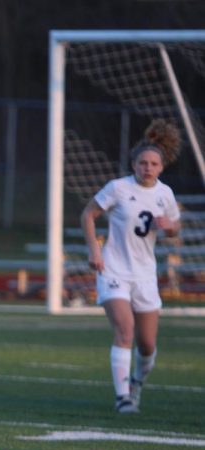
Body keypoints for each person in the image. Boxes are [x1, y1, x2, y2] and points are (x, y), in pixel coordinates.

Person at [80, 119, 182, 414]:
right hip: (113, 270)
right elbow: (88, 214)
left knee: (147, 344)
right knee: (125, 330)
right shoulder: (118, 188)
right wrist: (94, 250)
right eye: (142, 162)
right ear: (134, 164)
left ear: (161, 167)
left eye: (153, 163)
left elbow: (175, 227)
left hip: (144, 275)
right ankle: (123, 397)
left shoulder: (165, 194)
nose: (147, 167)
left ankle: (136, 381)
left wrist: (169, 226)